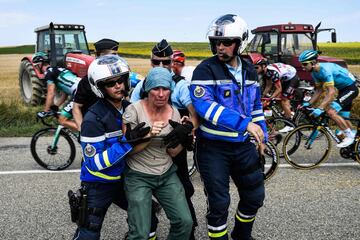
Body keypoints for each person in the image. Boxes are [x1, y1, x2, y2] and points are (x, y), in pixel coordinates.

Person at [189, 14, 267, 240]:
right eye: (216, 42)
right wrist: (245, 124)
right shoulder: (205, 70)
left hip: (243, 146)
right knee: (219, 203)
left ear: (241, 42)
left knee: (254, 197)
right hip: (213, 148)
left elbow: (256, 107)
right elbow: (205, 107)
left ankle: (242, 235)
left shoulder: (250, 70)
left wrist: (263, 137)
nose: (220, 47)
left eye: (226, 43)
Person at [72, 55, 158, 240]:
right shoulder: (92, 119)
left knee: (148, 215)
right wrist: (126, 142)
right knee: (89, 231)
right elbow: (94, 163)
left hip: (123, 179)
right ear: (100, 87)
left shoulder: (130, 108)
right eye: (111, 83)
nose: (118, 86)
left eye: (121, 80)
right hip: (98, 184)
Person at [130, 39, 199, 239]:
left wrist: (187, 128)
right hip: (145, 148)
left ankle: (188, 232)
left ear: (172, 63)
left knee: (184, 190)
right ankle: (145, 228)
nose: (161, 67)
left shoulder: (180, 85)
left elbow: (195, 115)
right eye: (156, 62)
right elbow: (129, 113)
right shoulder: (142, 86)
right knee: (140, 196)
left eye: (165, 63)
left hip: (173, 146)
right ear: (151, 62)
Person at [72, 38, 145, 131]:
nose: (116, 58)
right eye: (112, 55)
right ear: (98, 56)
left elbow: (125, 100)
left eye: (117, 54)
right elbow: (76, 107)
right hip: (96, 126)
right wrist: (83, 131)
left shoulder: (121, 75)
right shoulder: (87, 81)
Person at [299, 50, 359, 148]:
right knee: (343, 118)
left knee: (331, 112)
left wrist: (321, 107)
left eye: (305, 64)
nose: (303, 66)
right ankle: (355, 145)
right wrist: (308, 103)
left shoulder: (324, 70)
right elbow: (319, 90)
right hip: (343, 90)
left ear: (313, 62)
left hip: (350, 89)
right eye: (302, 64)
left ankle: (350, 136)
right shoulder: (314, 72)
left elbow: (331, 92)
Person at [33, 52, 80, 131]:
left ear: (40, 64)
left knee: (62, 119)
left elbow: (51, 93)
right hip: (86, 89)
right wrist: (56, 106)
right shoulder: (59, 70)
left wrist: (46, 110)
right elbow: (64, 95)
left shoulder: (48, 73)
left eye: (35, 65)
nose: (35, 68)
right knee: (80, 118)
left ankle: (88, 135)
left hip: (79, 93)